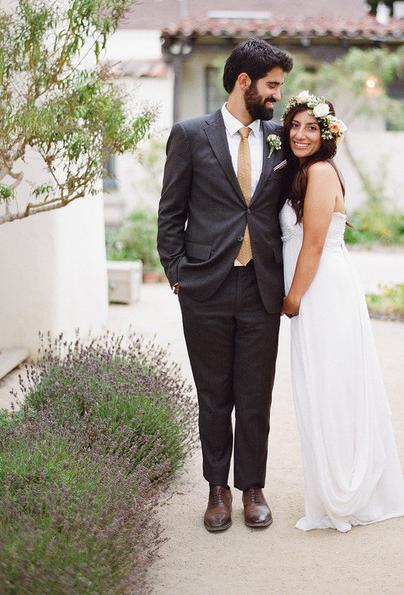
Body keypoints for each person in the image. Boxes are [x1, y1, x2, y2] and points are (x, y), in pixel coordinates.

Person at [157, 39, 293, 532]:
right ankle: (217, 489)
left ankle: (251, 487)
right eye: (272, 85)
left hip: (261, 287)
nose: (278, 95)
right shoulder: (191, 135)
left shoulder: (281, 139)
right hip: (206, 288)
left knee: (256, 393)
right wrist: (179, 278)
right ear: (244, 82)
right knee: (213, 392)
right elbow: (170, 213)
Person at [279, 91, 404, 532]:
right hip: (316, 290)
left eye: (311, 127)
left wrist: (293, 298)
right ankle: (334, 483)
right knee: (323, 387)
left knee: (332, 388)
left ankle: (347, 490)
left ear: (327, 134)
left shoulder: (319, 173)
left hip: (322, 293)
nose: (301, 134)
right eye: (295, 126)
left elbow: (314, 244)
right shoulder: (301, 172)